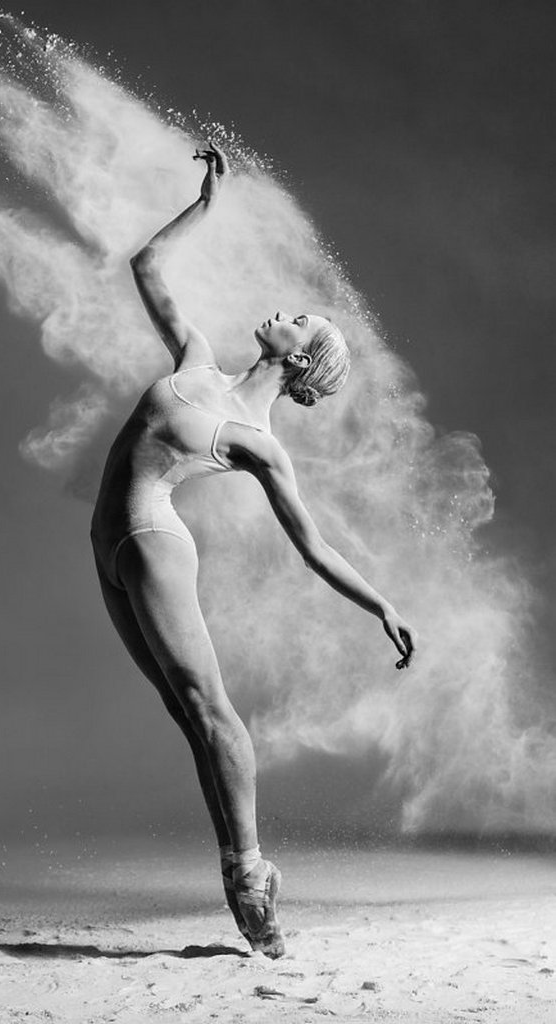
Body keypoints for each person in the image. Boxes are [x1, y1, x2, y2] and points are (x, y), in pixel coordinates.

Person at [91, 141, 417, 958]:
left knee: (210, 711)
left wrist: (380, 604)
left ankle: (249, 874)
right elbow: (146, 265)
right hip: (108, 546)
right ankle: (242, 878)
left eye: (300, 320)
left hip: (152, 540)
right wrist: (205, 205)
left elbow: (312, 547)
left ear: (299, 358)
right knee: (185, 715)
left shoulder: (256, 441)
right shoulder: (196, 359)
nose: (285, 311)